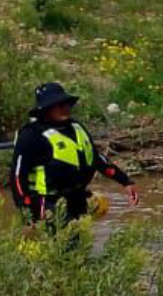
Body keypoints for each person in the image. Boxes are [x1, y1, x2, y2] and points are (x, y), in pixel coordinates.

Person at [8, 81, 139, 226]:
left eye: (66, 104)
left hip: (77, 198)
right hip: (48, 203)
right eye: (59, 105)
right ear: (46, 109)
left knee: (80, 242)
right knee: (63, 244)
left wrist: (125, 181)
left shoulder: (77, 128)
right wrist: (26, 209)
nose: (65, 108)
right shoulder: (31, 135)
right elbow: (17, 176)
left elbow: (95, 158)